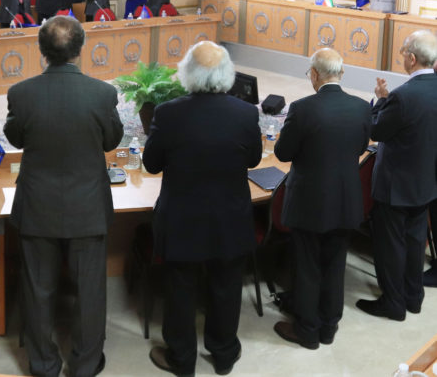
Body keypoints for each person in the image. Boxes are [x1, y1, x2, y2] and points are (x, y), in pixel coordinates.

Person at [3, 16, 123, 377]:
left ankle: (43, 365)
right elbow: (112, 142)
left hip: (38, 207)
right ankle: (86, 365)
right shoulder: (102, 93)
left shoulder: (21, 93)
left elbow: (15, 138)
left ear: (41, 50)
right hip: (88, 208)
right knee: (90, 293)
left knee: (38, 292)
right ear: (80, 49)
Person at [143, 41, 262, 377]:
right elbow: (253, 159)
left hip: (182, 219)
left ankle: (182, 360)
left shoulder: (169, 113)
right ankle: (224, 355)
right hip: (230, 218)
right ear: (227, 75)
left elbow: (151, 165)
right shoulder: (245, 113)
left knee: (180, 290)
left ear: (187, 73)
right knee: (227, 287)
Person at [273, 48, 371, 350]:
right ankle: (328, 327)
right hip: (346, 200)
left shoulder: (302, 108)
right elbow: (359, 148)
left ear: (314, 74)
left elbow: (282, 153)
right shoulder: (361, 107)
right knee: (334, 264)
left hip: (309, 202)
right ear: (340, 74)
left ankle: (307, 331)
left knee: (308, 267)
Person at [356, 30, 437, 321]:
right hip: (426, 182)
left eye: (403, 51)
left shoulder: (403, 96)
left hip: (396, 186)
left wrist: (380, 101)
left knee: (390, 246)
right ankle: (414, 298)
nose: (402, 56)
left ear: (412, 58)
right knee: (415, 243)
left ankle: (393, 303)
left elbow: (376, 131)